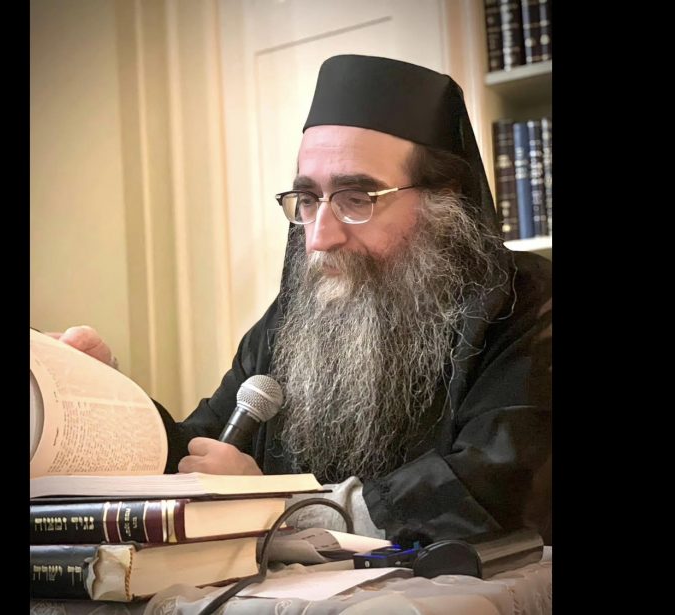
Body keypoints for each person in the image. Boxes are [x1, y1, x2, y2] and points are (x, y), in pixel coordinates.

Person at [52, 55, 552, 546]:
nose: (318, 237)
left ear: (444, 200)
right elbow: (201, 453)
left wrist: (283, 509)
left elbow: (496, 486)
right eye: (308, 200)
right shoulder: (291, 324)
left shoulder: (526, 304)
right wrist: (103, 400)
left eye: (357, 198)